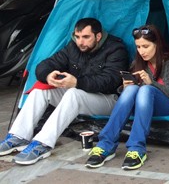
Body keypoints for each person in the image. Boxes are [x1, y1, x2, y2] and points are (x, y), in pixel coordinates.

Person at [0, 17, 129, 165]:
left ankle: (43, 144)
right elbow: (45, 65)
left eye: (86, 37)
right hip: (81, 94)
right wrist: (49, 76)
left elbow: (110, 81)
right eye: (77, 36)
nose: (80, 42)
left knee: (73, 93)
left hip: (107, 99)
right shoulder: (73, 47)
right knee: (40, 90)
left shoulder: (115, 49)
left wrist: (77, 82)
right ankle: (18, 136)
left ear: (98, 36)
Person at [86, 24, 169, 170]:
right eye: (138, 47)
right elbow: (133, 91)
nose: (141, 51)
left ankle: (136, 148)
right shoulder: (139, 62)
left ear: (157, 44)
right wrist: (124, 88)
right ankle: (105, 145)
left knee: (146, 90)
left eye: (146, 46)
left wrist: (152, 83)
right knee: (132, 89)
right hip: (145, 105)